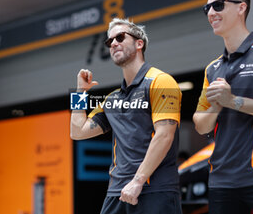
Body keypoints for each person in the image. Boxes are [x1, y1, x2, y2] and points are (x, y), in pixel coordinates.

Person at [70, 18, 182, 214]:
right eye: (109, 41)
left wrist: (137, 181)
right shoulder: (112, 99)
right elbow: (77, 132)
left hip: (154, 190)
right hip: (117, 193)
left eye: (120, 37)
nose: (113, 43)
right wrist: (80, 93)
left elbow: (164, 136)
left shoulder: (160, 81)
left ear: (140, 43)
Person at [193, 0, 253, 213]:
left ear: (241, 8)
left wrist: (233, 101)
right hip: (221, 181)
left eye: (218, 5)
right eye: (207, 8)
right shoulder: (212, 68)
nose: (211, 12)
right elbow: (200, 124)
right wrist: (217, 106)